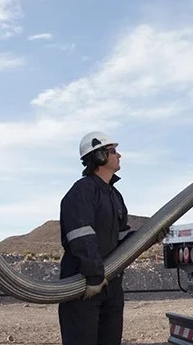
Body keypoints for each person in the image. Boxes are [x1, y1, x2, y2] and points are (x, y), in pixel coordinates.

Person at [57, 131, 132, 345]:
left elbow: (123, 240)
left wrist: (150, 235)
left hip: (111, 286)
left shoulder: (115, 196)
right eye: (113, 151)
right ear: (99, 156)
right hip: (83, 287)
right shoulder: (82, 191)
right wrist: (94, 276)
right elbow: (81, 235)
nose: (119, 155)